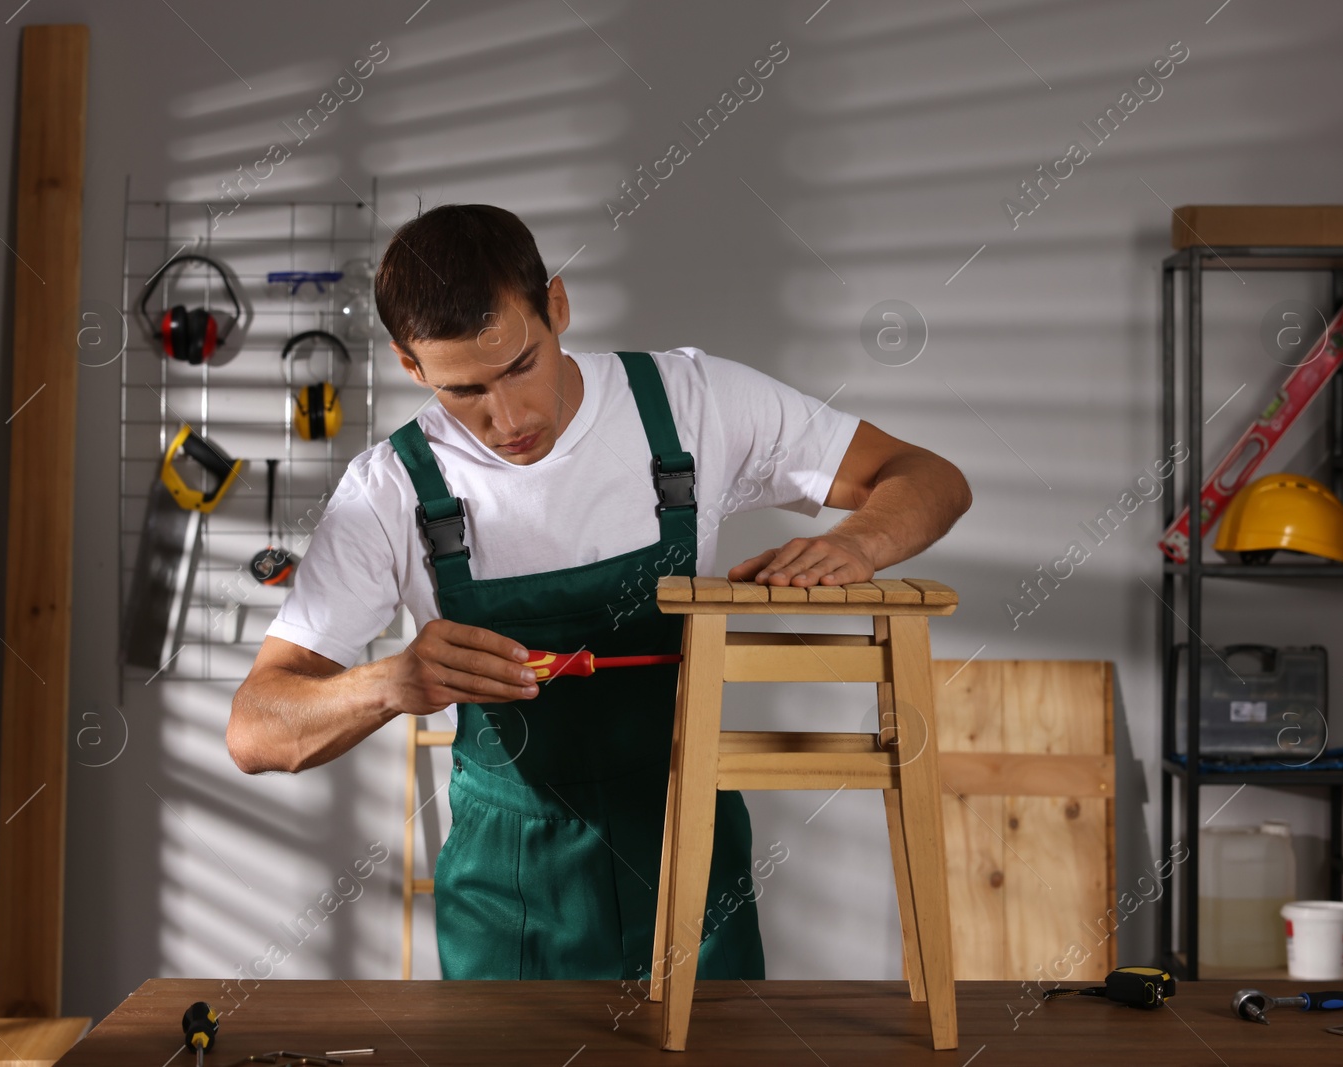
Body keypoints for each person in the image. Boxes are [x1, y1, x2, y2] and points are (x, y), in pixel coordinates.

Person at [227, 203, 972, 983]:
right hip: (507, 894)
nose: (507, 417)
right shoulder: (388, 491)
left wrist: (856, 542)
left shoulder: (691, 405)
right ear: (412, 367)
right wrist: (388, 683)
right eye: (465, 390)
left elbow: (929, 479)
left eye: (520, 365)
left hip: (691, 857)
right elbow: (255, 730)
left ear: (556, 305)